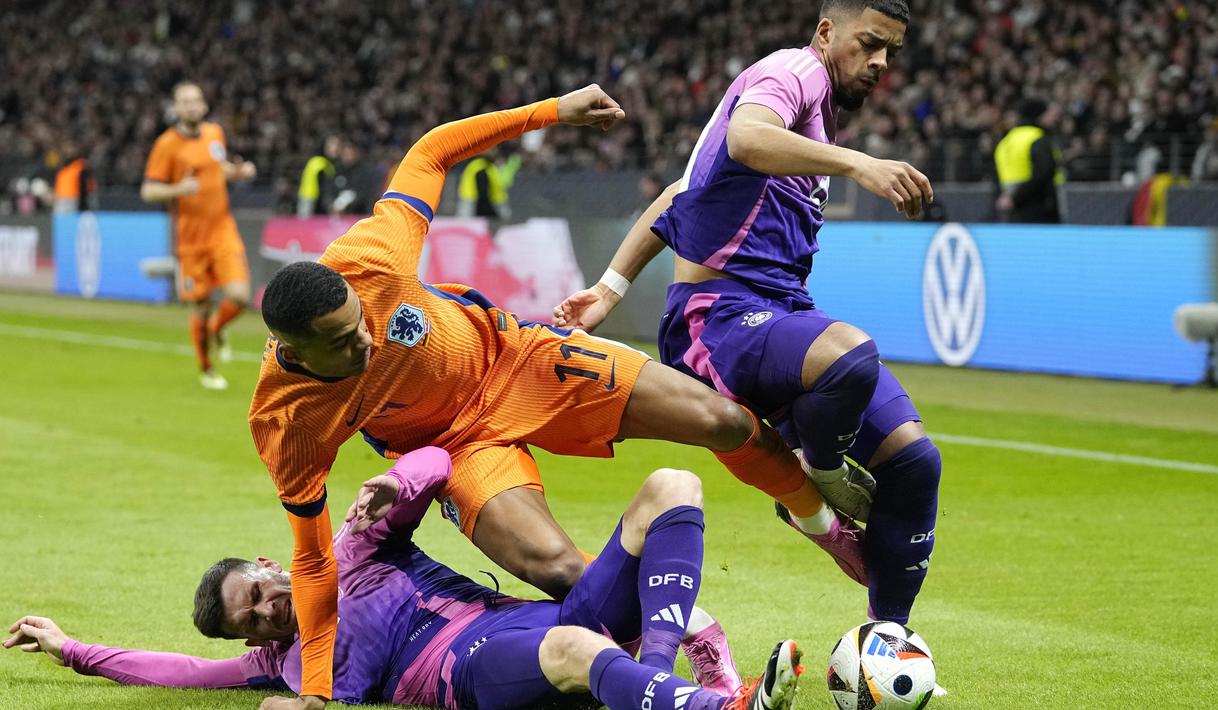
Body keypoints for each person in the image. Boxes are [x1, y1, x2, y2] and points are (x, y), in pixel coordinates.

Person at [251, 84, 857, 708]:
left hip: (520, 361)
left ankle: (826, 523)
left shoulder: (370, 261)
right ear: (295, 352)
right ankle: (693, 645)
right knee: (559, 571)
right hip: (454, 447)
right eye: (346, 344)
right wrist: (317, 697)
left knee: (720, 418)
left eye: (363, 322)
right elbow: (317, 564)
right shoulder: (287, 422)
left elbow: (431, 152)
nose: (368, 340)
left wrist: (550, 112)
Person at [553, 0, 943, 630]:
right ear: (826, 31)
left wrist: (609, 288)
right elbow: (746, 137)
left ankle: (889, 638)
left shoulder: (815, 118)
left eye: (890, 52)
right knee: (851, 355)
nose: (879, 63)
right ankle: (819, 477)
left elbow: (682, 192)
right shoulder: (796, 71)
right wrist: (859, 164)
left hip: (775, 311)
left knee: (916, 463)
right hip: (718, 316)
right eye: (869, 43)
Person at [5, 449, 804, 710]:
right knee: (567, 646)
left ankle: (655, 673)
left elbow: (439, 463)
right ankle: (715, 705)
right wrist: (73, 648)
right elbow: (179, 671)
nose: (268, 611)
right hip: (465, 666)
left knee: (671, 486)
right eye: (253, 620)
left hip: (528, 611)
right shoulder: (287, 666)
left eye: (258, 591)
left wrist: (397, 478)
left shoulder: (350, 549)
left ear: (269, 561)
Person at [141, 81, 257, 390]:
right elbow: (149, 189)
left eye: (196, 101)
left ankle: (217, 330)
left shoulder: (214, 134)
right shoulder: (167, 145)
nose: (192, 106)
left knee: (239, 296)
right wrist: (178, 189)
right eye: (185, 102)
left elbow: (219, 170)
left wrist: (238, 172)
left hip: (222, 230)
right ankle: (206, 367)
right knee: (201, 306)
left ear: (203, 105)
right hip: (190, 240)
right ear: (176, 108)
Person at [994, 98, 1064, 223]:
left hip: (1011, 208)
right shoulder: (1037, 138)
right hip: (1040, 206)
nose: (1052, 118)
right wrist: (1016, 198)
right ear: (1039, 116)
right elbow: (1044, 171)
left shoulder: (1005, 142)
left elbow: (996, 176)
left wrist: (1008, 198)